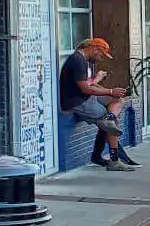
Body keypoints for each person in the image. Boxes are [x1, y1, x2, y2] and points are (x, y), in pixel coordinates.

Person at [59, 37, 137, 170]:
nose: (101, 58)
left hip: (86, 97)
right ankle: (114, 161)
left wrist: (110, 93)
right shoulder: (77, 61)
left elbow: (91, 85)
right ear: (95, 49)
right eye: (101, 55)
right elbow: (85, 88)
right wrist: (110, 91)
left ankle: (110, 119)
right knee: (110, 125)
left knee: (117, 101)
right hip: (78, 101)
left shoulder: (84, 61)